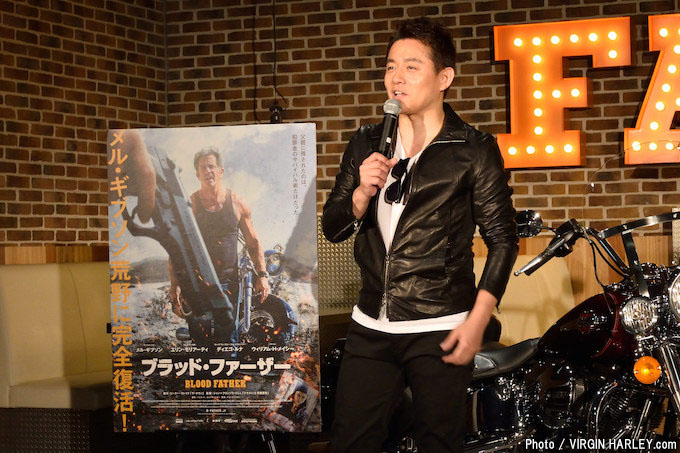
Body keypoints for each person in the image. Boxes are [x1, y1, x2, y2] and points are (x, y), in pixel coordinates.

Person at [322, 17, 518, 452]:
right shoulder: (366, 142)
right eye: (391, 66)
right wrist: (360, 195)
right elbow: (332, 226)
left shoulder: (472, 149)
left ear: (444, 78)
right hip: (370, 323)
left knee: (438, 442)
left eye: (412, 67)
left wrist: (477, 320)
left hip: (440, 325)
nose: (397, 77)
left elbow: (502, 239)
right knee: (350, 442)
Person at [169, 147, 270, 341]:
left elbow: (253, 242)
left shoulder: (238, 204)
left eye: (211, 166)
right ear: (197, 174)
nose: (208, 171)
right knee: (201, 340)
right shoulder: (190, 206)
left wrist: (263, 276)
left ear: (220, 171)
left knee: (227, 341)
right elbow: (176, 248)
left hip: (228, 283)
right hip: (197, 284)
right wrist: (175, 285)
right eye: (203, 168)